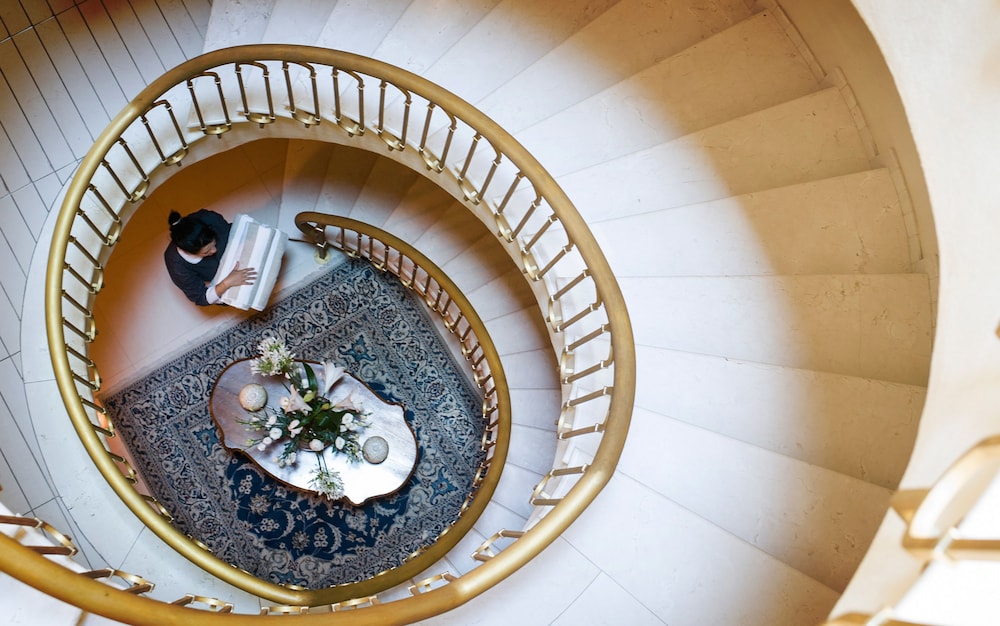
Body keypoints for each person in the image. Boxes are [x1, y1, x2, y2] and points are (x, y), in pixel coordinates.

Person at [164, 209, 257, 306]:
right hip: (224, 285)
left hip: (243, 255)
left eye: (214, 243)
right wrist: (227, 283)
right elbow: (200, 297)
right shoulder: (175, 263)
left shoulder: (209, 218)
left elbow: (235, 233)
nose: (214, 250)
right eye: (206, 252)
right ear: (190, 253)